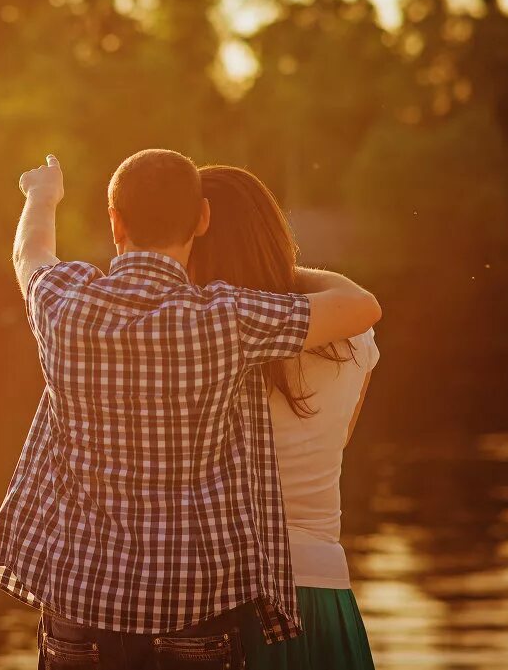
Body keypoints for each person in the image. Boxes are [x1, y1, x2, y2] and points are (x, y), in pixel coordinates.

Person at [0, 149, 381, 669]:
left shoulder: (66, 304)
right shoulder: (227, 322)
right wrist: (269, 267)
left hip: (81, 613)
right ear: (200, 222)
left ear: (115, 221)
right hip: (210, 610)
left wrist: (42, 194)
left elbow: (30, 252)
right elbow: (361, 307)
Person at [188, 165, 379, 670]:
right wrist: (280, 275)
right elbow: (337, 442)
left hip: (220, 604)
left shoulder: (194, 345)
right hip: (325, 600)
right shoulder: (355, 340)